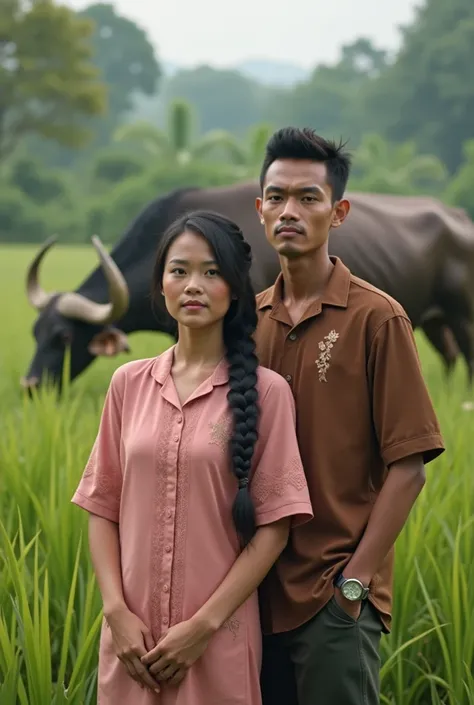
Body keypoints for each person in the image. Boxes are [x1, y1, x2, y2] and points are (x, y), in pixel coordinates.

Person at [71, 210, 313, 705]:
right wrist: (115, 611)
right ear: (161, 286)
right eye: (179, 271)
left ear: (235, 288)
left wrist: (202, 627)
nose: (193, 285)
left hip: (215, 642)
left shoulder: (268, 394)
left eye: (212, 272)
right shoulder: (127, 385)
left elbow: (274, 527)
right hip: (131, 643)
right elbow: (102, 506)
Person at [253, 127, 445, 705]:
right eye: (277, 196)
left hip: (332, 601)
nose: (290, 210)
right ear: (259, 209)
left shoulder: (377, 318)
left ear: (338, 212)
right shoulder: (248, 320)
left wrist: (353, 586)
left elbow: (408, 467)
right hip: (251, 596)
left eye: (308, 197)